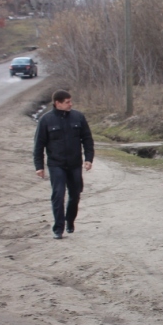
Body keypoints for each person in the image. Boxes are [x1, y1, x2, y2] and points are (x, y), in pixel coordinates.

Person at [33, 90, 94, 239]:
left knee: (75, 195)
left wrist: (88, 158)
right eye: (67, 102)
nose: (70, 104)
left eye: (70, 101)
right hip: (56, 164)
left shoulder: (78, 117)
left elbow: (87, 139)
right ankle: (58, 228)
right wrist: (39, 166)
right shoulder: (46, 120)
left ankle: (69, 221)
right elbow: (39, 144)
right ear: (57, 103)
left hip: (74, 163)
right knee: (58, 195)